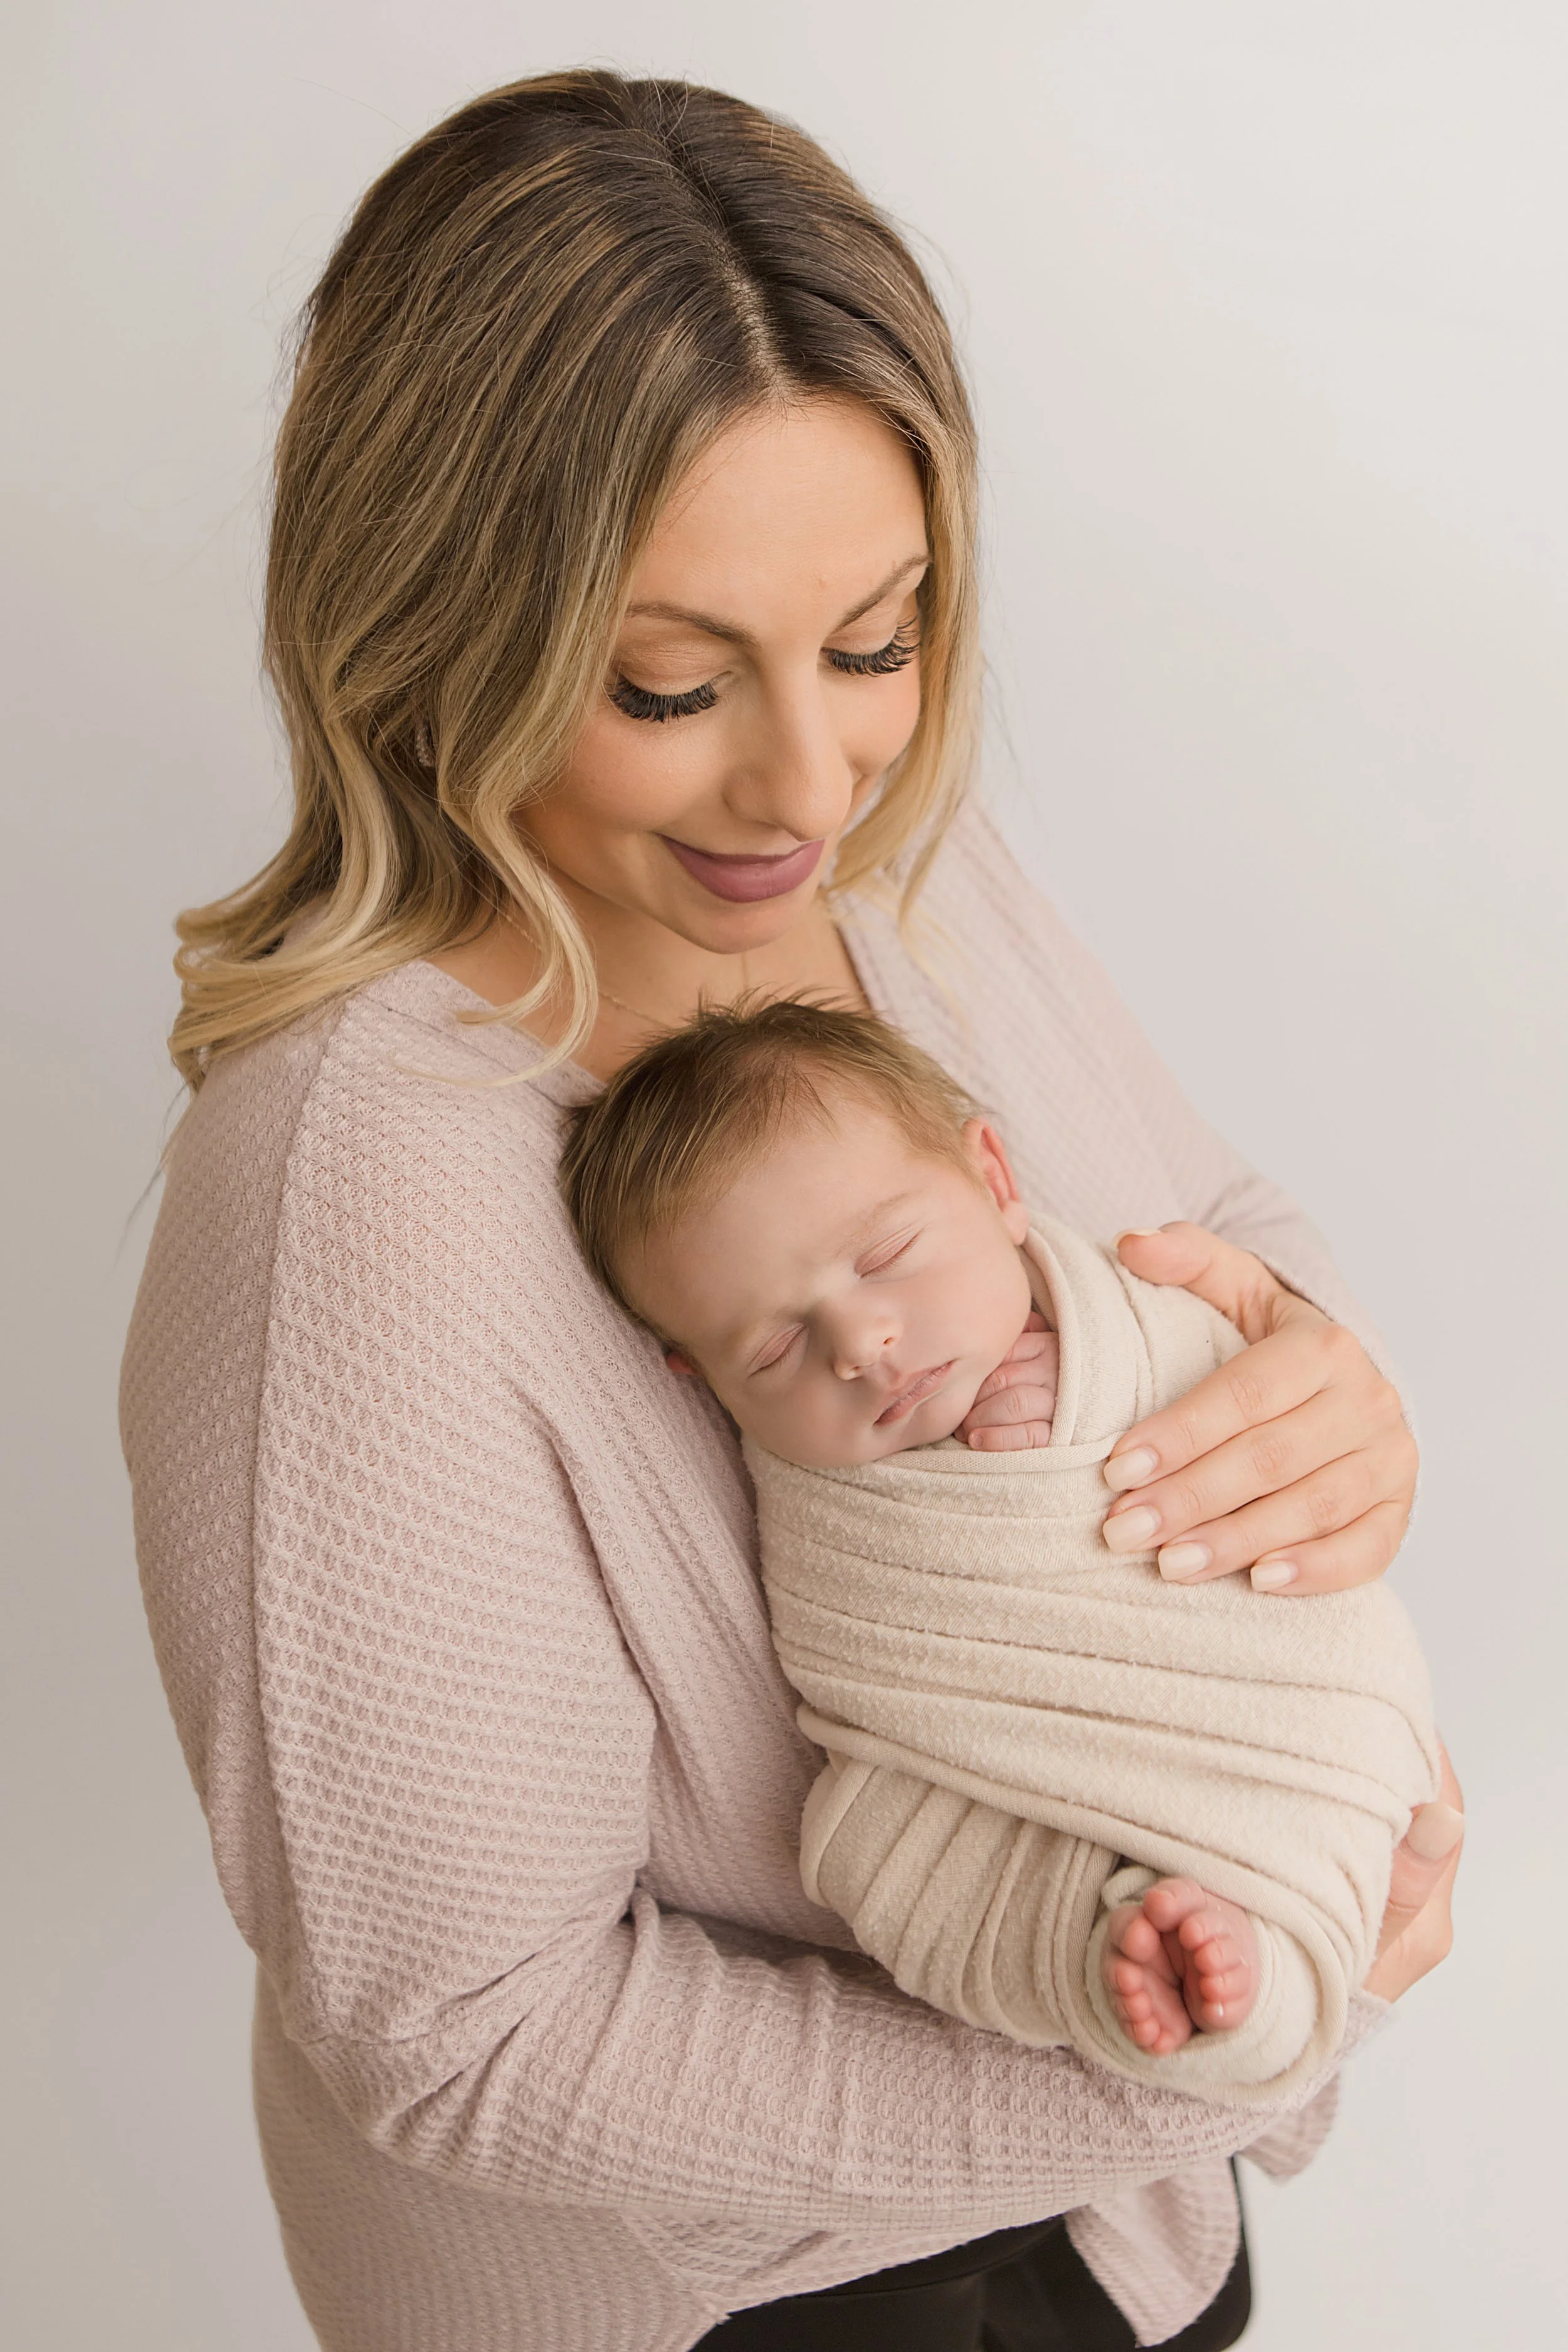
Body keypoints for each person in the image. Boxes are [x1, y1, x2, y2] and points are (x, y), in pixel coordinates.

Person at [120, 69, 1461, 2352]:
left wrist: (1329, 1399)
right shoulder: (353, 1202)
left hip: (1136, 2231)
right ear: (437, 626)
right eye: (670, 683)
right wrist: (1200, 2051)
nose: (810, 781)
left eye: (878, 638)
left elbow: (1203, 1217)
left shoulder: (891, 890)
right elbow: (470, 2033)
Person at [558, 995, 1441, 2096]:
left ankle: (1251, 1955)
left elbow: (1257, 1381)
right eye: (776, 1347)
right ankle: (1155, 1963)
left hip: (1257, 1711)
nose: (861, 1343)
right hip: (984, 1773)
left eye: (885, 1255)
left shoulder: (1141, 1319)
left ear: (995, 1180)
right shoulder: (828, 1504)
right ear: (703, 1382)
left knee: (1307, 1843)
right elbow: (876, 1691)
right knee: (911, 1857)